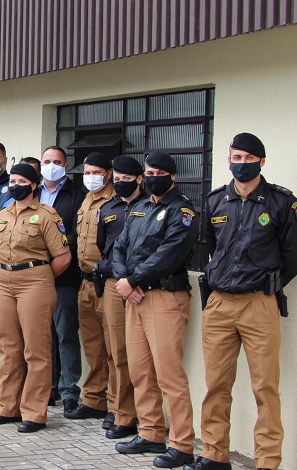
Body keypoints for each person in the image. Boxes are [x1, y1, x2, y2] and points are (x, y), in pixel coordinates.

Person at [186, 134, 297, 470]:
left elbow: (295, 255)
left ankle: (267, 461)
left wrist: (266, 283)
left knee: (265, 387)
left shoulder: (281, 202)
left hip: (259, 303)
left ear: (261, 161)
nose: (241, 163)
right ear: (228, 160)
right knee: (216, 384)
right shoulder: (216, 200)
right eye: (236, 157)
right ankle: (214, 454)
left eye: (248, 158)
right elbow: (211, 247)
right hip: (219, 304)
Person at [112, 151, 199, 468]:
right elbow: (119, 246)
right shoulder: (140, 207)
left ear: (173, 177)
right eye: (148, 173)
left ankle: (182, 444)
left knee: (168, 374)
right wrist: (124, 280)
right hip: (135, 297)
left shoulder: (182, 210)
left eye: (159, 173)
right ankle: (150, 433)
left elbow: (171, 253)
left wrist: (132, 279)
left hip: (164, 296)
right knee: (140, 371)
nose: (152, 178)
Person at [0, 163, 72, 433]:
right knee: (8, 347)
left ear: (34, 185)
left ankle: (34, 413)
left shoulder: (47, 215)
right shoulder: (3, 213)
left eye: (21, 181)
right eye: (12, 181)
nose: (15, 185)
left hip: (35, 282)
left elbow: (63, 257)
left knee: (36, 350)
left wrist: (40, 277)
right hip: (3, 281)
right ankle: (8, 407)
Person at [96, 155, 147, 439]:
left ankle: (138, 413)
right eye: (117, 179)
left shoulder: (150, 206)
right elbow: (104, 247)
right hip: (115, 285)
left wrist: (136, 279)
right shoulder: (108, 208)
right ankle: (118, 409)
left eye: (126, 179)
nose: (121, 183)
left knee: (137, 354)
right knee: (116, 351)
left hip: (144, 287)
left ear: (139, 179)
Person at [65, 153, 116, 427]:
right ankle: (94, 400)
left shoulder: (116, 200)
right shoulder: (86, 199)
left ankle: (117, 406)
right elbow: (77, 236)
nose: (90, 177)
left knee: (114, 349)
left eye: (96, 172)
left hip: (108, 283)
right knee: (93, 346)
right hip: (85, 282)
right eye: (87, 172)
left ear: (108, 174)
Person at [38, 146, 87, 417]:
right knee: (42, 336)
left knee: (66, 333)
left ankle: (69, 391)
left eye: (57, 162)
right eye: (47, 161)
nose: (51, 166)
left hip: (65, 275)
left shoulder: (77, 196)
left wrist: (54, 249)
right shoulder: (32, 192)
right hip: (35, 277)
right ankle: (48, 387)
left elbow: (79, 234)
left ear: (66, 167)